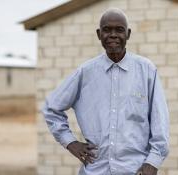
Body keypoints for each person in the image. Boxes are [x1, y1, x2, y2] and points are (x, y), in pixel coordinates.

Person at [42, 8, 169, 175]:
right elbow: (52, 108)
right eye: (107, 30)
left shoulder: (146, 70)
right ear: (98, 34)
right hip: (95, 171)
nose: (113, 35)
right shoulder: (85, 72)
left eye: (119, 30)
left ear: (128, 34)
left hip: (136, 170)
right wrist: (70, 142)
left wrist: (153, 162)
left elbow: (160, 122)